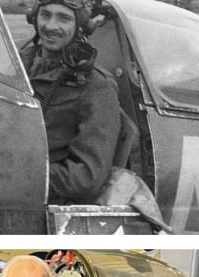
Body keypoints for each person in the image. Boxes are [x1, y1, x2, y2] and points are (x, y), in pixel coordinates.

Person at [21, 0, 120, 204]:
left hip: (39, 199)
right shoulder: (15, 63)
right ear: (34, 17)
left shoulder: (96, 86)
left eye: (64, 18)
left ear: (80, 26)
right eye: (45, 15)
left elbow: (86, 177)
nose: (50, 26)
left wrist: (18, 173)